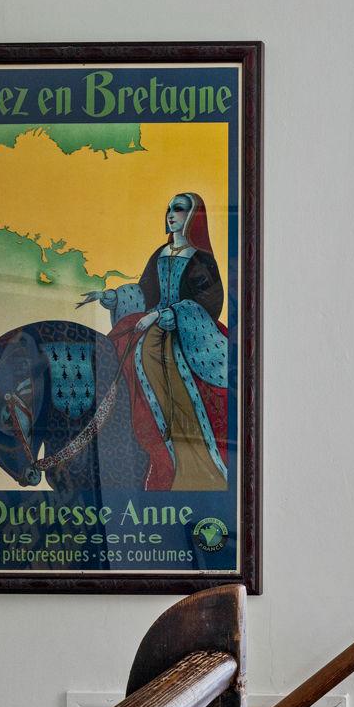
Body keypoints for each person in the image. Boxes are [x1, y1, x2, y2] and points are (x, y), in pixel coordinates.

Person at [78, 193, 231, 490]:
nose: (171, 214)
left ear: (193, 217)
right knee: (119, 343)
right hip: (152, 320)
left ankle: (175, 435)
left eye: (179, 209)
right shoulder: (161, 253)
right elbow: (145, 291)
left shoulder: (200, 259)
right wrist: (113, 296)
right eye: (169, 209)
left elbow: (210, 301)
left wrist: (168, 314)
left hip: (186, 328)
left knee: (149, 352)